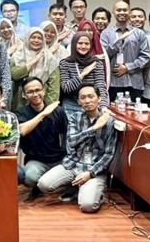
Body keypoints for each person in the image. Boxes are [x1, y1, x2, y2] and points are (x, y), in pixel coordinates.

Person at [37, 84, 116, 214]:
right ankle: (75, 188)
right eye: (83, 98)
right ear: (79, 101)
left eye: (91, 96)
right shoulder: (75, 117)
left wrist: (90, 173)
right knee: (43, 184)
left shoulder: (109, 121)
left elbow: (108, 154)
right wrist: (94, 128)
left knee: (88, 206)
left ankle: (97, 193)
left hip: (93, 169)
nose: (87, 100)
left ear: (99, 98)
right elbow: (71, 141)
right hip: (73, 164)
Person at [16, 77, 65, 191]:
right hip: (36, 160)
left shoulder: (58, 111)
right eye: (30, 92)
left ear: (44, 91)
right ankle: (38, 188)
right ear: (24, 95)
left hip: (59, 159)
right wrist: (43, 114)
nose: (35, 94)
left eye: (38, 90)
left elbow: (66, 136)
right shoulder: (21, 112)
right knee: (29, 178)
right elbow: (22, 131)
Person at [100, 1, 150, 102]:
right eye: (119, 10)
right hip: (113, 83)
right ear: (113, 12)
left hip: (135, 83)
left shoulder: (139, 33)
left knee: (135, 111)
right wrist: (118, 42)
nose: (122, 12)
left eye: (125, 10)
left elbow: (145, 57)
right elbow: (104, 56)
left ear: (129, 12)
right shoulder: (106, 34)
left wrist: (127, 67)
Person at [10, 28, 60, 111]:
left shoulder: (50, 59)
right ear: (27, 38)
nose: (36, 40)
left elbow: (54, 88)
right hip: (20, 101)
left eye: (39, 38)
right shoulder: (17, 56)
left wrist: (48, 109)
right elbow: (14, 75)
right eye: (33, 37)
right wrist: (33, 61)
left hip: (43, 103)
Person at [60, 32, 109, 114]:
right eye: (80, 43)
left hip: (91, 105)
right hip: (71, 106)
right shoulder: (65, 63)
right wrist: (82, 74)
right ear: (74, 44)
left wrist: (103, 106)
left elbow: (100, 86)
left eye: (87, 44)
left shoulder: (96, 63)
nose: (83, 46)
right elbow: (66, 88)